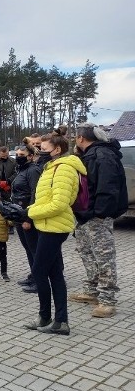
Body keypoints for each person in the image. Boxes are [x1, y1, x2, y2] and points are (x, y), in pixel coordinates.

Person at [24, 126, 86, 336]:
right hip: (47, 224)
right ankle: (58, 321)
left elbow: (59, 203)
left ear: (57, 149)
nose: (38, 150)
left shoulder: (64, 168)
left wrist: (30, 212)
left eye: (42, 147)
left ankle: (49, 317)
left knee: (39, 271)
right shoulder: (52, 166)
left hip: (55, 225)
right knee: (54, 273)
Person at [70, 123, 128, 318]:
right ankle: (92, 290)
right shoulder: (88, 155)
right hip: (85, 215)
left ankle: (107, 300)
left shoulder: (103, 155)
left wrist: (100, 213)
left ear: (81, 138)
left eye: (75, 138)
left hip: (97, 216)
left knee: (104, 256)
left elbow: (108, 187)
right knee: (86, 251)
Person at [11, 144, 42, 293]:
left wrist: (28, 219)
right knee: (29, 249)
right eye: (17, 154)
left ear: (30, 156)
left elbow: (35, 195)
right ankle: (34, 275)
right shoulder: (21, 170)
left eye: (22, 154)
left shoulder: (33, 170)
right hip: (19, 214)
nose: (18, 157)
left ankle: (39, 281)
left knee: (35, 249)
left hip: (28, 216)